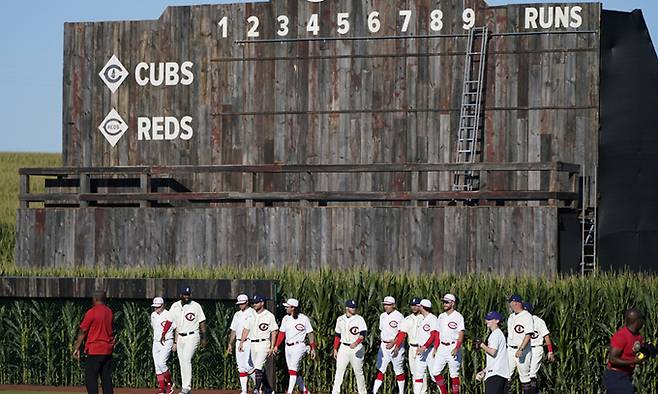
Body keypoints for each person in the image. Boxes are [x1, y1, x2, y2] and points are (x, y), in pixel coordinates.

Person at [72, 290, 114, 394]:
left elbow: (83, 330)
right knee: (106, 378)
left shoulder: (92, 312)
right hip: (107, 350)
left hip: (94, 349)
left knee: (90, 378)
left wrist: (77, 347)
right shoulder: (109, 312)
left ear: (95, 299)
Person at [273, 298, 317, 394]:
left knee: (293, 370)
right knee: (292, 371)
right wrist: (276, 345)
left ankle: (289, 392)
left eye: (287, 307)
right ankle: (304, 390)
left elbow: (310, 333)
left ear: (293, 308)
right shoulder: (286, 318)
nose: (286, 308)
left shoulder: (304, 319)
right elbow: (281, 333)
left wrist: (313, 348)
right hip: (288, 347)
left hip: (299, 346)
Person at [170, 285, 207, 394]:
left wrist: (204, 338)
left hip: (192, 336)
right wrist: (175, 341)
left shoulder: (196, 306)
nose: (187, 296)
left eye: (188, 294)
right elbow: (172, 324)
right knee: (182, 362)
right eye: (184, 294)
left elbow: (202, 322)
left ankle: (186, 387)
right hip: (180, 337)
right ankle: (185, 387)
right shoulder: (175, 306)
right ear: (180, 295)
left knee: (186, 359)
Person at [239, 295, 278, 394]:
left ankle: (256, 388)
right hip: (253, 343)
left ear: (262, 303)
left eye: (256, 302)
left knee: (258, 366)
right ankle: (269, 389)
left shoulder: (269, 315)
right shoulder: (251, 314)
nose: (254, 304)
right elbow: (246, 329)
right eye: (253, 303)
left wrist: (272, 346)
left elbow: (274, 331)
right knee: (258, 367)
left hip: (264, 343)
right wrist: (241, 342)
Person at [603, 308, 645, 393]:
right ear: (637, 321)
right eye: (642, 319)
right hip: (615, 375)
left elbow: (633, 352)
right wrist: (634, 361)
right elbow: (613, 359)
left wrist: (645, 352)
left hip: (626, 375)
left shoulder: (638, 336)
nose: (643, 322)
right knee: (628, 391)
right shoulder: (621, 336)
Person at [331, 299, 368, 394]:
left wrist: (356, 342)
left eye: (355, 307)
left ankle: (362, 392)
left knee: (358, 372)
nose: (353, 309)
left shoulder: (359, 319)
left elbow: (363, 334)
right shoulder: (340, 319)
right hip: (343, 347)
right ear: (346, 308)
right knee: (339, 371)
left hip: (357, 348)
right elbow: (337, 335)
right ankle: (335, 392)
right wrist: (335, 349)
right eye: (351, 307)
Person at [431, 293, 465, 394]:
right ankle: (444, 392)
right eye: (443, 302)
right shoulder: (441, 316)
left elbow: (461, 333)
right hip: (442, 347)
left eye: (446, 302)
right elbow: (437, 333)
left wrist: (457, 348)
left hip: (453, 347)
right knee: (435, 372)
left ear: (453, 303)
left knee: (454, 374)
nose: (444, 304)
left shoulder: (458, 316)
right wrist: (435, 347)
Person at [372, 296, 406, 394]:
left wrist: (394, 343)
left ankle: (401, 392)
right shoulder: (382, 316)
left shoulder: (399, 316)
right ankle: (374, 391)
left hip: (396, 346)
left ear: (394, 305)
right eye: (385, 305)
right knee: (380, 369)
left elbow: (402, 333)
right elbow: (382, 330)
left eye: (388, 305)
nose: (386, 307)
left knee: (398, 370)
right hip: (384, 345)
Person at [395, 298, 427, 394]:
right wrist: (397, 345)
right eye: (412, 305)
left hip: (422, 348)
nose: (414, 307)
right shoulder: (407, 319)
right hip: (412, 348)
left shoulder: (425, 318)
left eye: (416, 305)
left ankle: (423, 392)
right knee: (414, 372)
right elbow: (402, 334)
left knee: (422, 373)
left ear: (420, 306)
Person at [227, 294, 257, 394]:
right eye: (239, 303)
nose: (241, 305)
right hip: (239, 341)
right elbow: (233, 330)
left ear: (247, 302)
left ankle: (258, 386)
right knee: (241, 367)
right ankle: (244, 390)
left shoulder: (252, 312)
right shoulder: (237, 314)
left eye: (243, 303)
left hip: (249, 341)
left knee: (249, 366)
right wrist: (230, 344)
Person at [522, 302, 555, 392]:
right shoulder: (520, 320)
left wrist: (550, 351)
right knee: (525, 375)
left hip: (536, 348)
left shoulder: (538, 321)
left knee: (532, 375)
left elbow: (546, 336)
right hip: (525, 349)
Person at [475, 311, 510, 394]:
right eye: (487, 319)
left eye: (490, 319)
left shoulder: (495, 334)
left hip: (496, 374)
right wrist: (484, 371)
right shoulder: (498, 334)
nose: (487, 321)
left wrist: (481, 345)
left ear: (497, 321)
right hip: (499, 373)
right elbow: (496, 358)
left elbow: (493, 352)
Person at [412, 299, 442, 394]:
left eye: (419, 306)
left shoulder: (432, 319)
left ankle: (443, 391)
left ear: (422, 307)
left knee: (435, 375)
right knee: (418, 375)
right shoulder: (423, 318)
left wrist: (425, 347)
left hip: (429, 350)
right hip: (421, 350)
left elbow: (433, 335)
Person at [506, 295, 534, 394]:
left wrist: (521, 349)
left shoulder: (527, 316)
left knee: (524, 376)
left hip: (523, 350)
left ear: (516, 303)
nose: (510, 304)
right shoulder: (511, 316)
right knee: (506, 374)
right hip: (510, 349)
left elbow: (528, 334)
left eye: (511, 302)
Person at [150, 297, 176, 394]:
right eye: (155, 307)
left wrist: (175, 342)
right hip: (156, 341)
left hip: (167, 340)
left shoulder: (169, 314)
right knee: (157, 365)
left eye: (158, 307)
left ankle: (169, 383)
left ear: (163, 305)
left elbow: (175, 328)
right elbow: (154, 327)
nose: (156, 309)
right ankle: (162, 388)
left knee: (161, 363)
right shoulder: (153, 315)